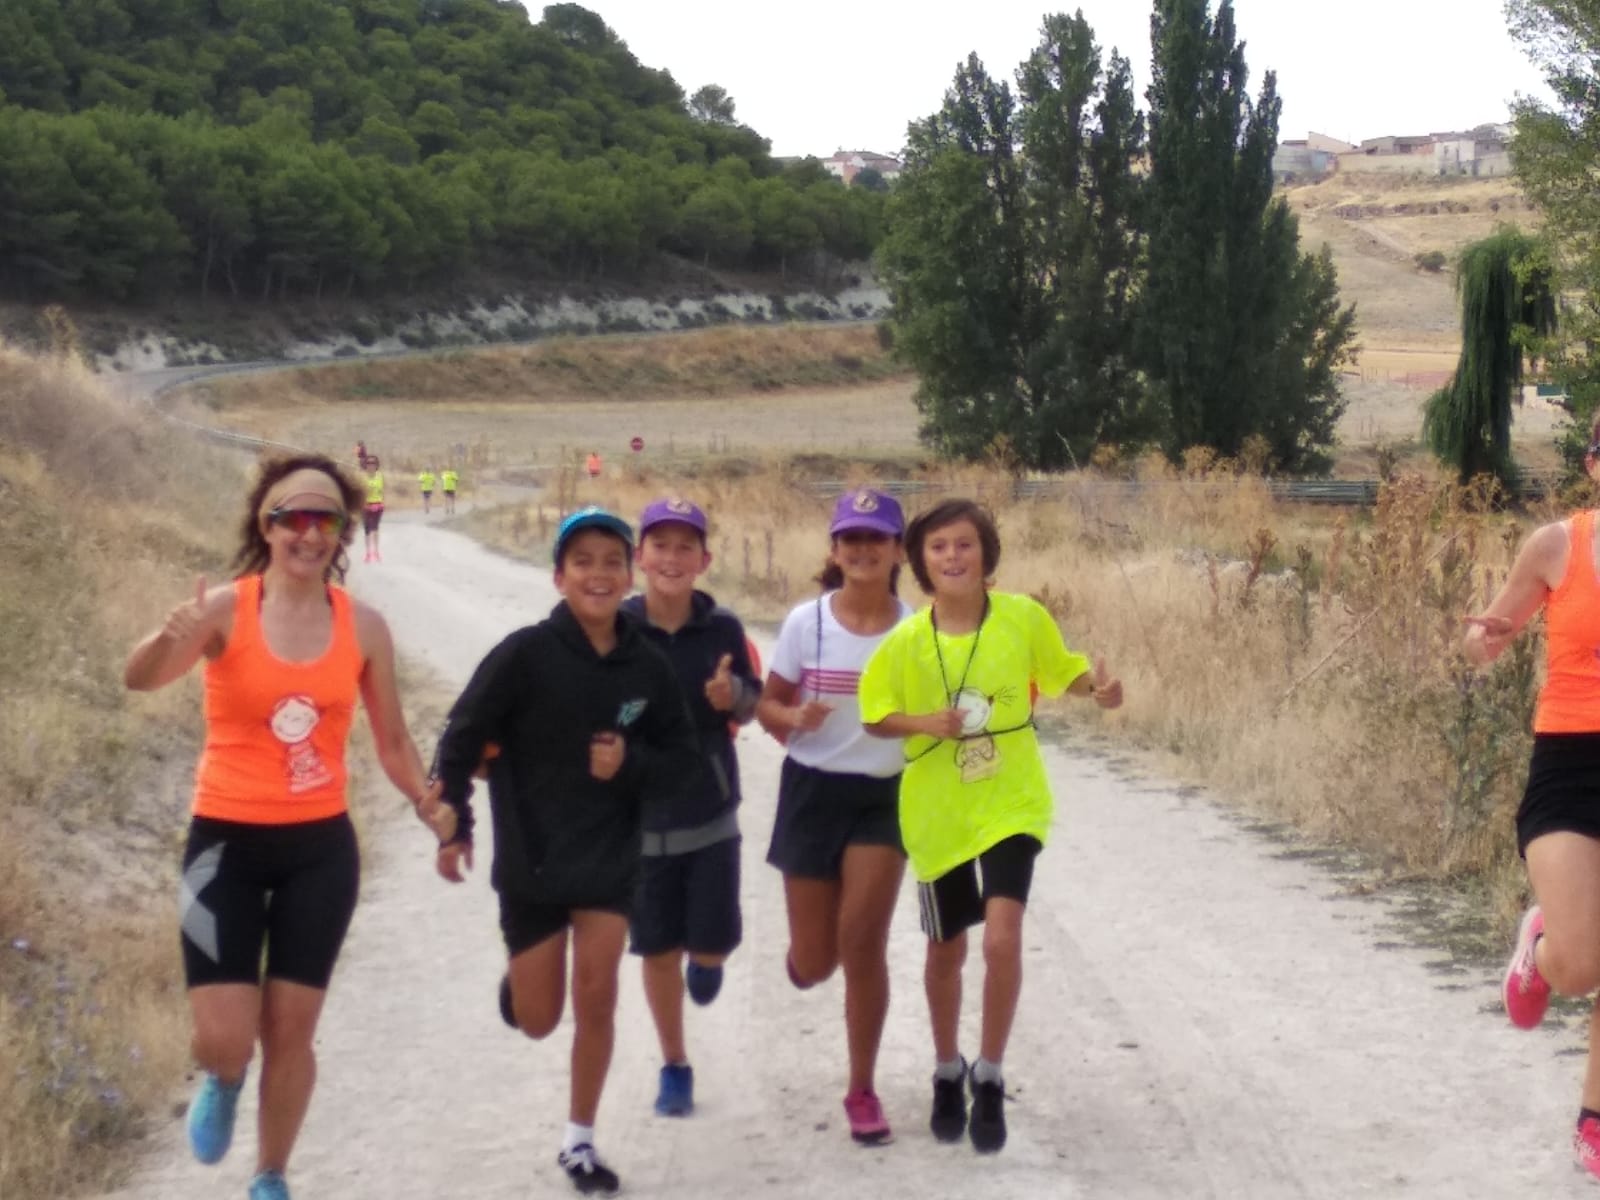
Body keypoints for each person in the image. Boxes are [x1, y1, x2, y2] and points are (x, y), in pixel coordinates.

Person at [122, 454, 447, 1200]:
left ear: (341, 532)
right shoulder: (222, 611)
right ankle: (225, 1078)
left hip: (319, 851)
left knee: (291, 1032)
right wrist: (165, 636)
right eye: (290, 517)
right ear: (264, 528)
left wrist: (429, 805)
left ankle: (270, 1176)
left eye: (324, 518)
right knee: (225, 1036)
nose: (308, 532)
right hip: (224, 848)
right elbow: (139, 680)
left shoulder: (364, 627)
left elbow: (392, 742)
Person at [428, 506, 698, 1196]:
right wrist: (455, 823)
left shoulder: (648, 664)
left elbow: (684, 762)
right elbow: (462, 737)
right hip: (534, 862)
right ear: (558, 576)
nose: (600, 575)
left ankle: (579, 1141)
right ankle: (521, 984)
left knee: (599, 994)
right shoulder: (523, 654)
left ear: (629, 572)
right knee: (541, 1019)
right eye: (583, 562)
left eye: (613, 561)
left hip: (610, 858)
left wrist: (630, 763)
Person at [858, 498, 1123, 1154]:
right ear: (919, 561)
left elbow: (1063, 673)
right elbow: (874, 714)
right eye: (939, 547)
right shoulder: (906, 643)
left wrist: (1099, 690)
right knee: (946, 949)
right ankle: (948, 1070)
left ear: (986, 555)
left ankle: (992, 1074)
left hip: (1012, 799)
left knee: (1002, 941)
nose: (953, 557)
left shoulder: (1022, 617)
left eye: (965, 545)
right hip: (937, 808)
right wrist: (925, 724)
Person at [755, 488, 912, 1145]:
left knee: (863, 943)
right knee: (817, 961)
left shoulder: (918, 631)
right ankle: (803, 961)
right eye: (851, 538)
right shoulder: (806, 624)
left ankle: (861, 1089)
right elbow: (768, 707)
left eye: (876, 538)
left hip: (884, 796)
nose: (863, 549)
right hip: (812, 792)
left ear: (898, 550)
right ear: (834, 549)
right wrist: (790, 718)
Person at [1465, 416, 1600, 1181]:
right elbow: (1490, 631)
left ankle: (1595, 1119)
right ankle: (1543, 946)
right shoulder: (1557, 546)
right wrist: (1484, 639)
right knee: (1582, 966)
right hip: (1569, 762)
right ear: (1593, 465)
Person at [619, 497, 760, 1118]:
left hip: (710, 816)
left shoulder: (722, 628)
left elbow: (753, 704)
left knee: (709, 948)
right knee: (655, 950)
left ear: (704, 559)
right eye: (660, 546)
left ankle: (706, 963)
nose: (671, 559)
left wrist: (732, 696)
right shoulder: (614, 628)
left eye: (686, 547)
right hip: (638, 821)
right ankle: (674, 1063)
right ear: (639, 557)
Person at [361, 457, 384, 563]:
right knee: (367, 530)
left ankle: (376, 551)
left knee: (375, 529)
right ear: (366, 465)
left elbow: (382, 491)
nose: (371, 465)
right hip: (366, 506)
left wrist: (382, 503)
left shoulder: (380, 477)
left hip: (377, 505)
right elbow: (360, 493)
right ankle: (368, 553)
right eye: (369, 463)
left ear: (376, 465)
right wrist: (363, 504)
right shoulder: (363, 478)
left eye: (373, 463)